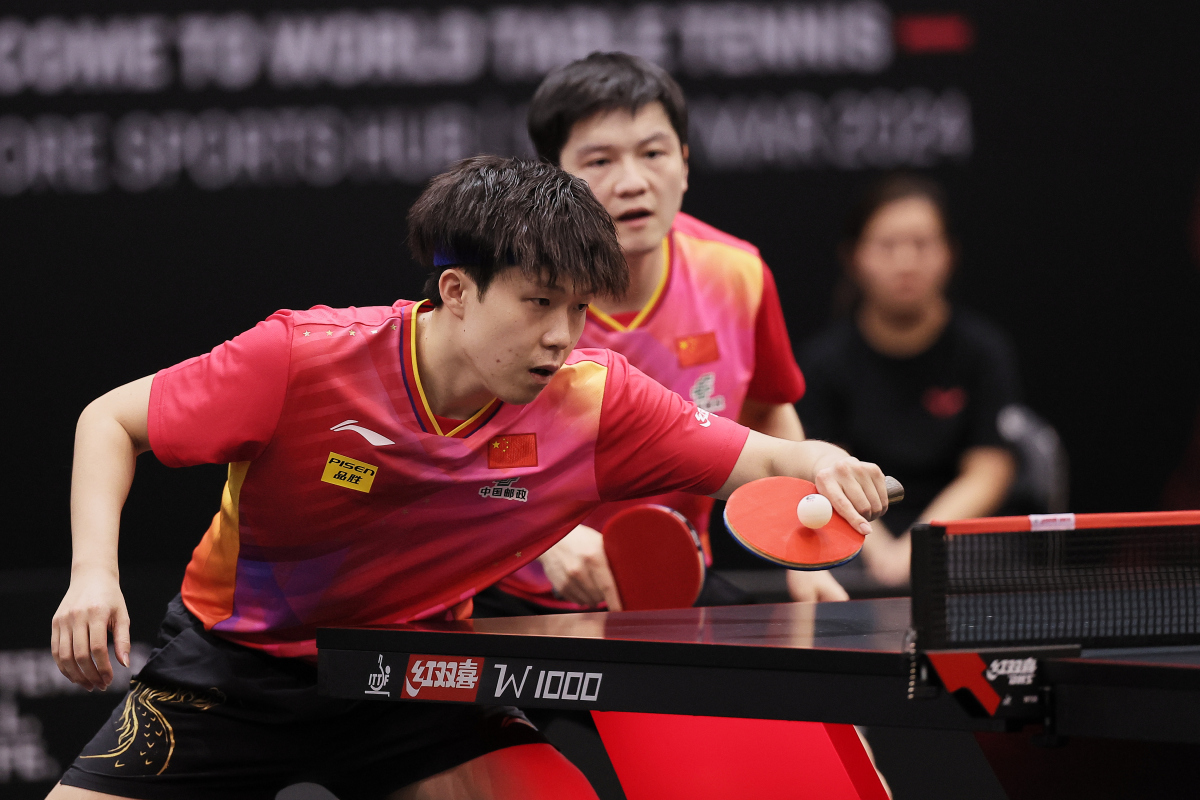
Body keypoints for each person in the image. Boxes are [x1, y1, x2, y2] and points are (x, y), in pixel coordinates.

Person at [50, 155, 892, 799]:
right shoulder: (301, 359)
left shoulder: (595, 403)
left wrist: (824, 463)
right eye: (538, 302)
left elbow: (765, 459)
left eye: (580, 309)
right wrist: (92, 574)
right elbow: (112, 420)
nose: (562, 336)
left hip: (414, 676)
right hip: (236, 672)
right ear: (456, 290)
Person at [478, 52, 846, 614]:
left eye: (653, 153)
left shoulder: (738, 274)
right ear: (553, 177)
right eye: (600, 160)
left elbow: (767, 412)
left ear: (685, 164)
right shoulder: (502, 293)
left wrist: (800, 547)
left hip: (674, 584)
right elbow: (443, 454)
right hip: (519, 590)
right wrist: (542, 536)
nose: (633, 182)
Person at [799, 174, 1019, 589]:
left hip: (952, 534)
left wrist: (921, 542)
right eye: (886, 246)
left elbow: (989, 469)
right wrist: (879, 549)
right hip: (859, 530)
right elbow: (820, 465)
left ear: (949, 254)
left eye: (921, 244)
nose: (905, 262)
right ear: (854, 257)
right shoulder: (824, 362)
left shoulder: (982, 352)